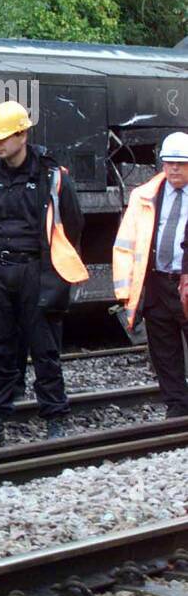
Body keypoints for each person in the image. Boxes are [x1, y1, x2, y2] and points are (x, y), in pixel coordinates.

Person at [0, 102, 87, 449]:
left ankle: (55, 418)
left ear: (22, 134)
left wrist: (55, 273)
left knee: (45, 349)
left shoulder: (52, 175)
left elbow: (72, 225)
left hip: (36, 271)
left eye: (3, 138)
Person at [113, 131, 188, 418]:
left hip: (185, 280)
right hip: (158, 283)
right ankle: (177, 406)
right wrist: (125, 292)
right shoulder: (144, 196)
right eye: (169, 163)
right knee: (163, 350)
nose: (174, 168)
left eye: (180, 163)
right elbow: (125, 244)